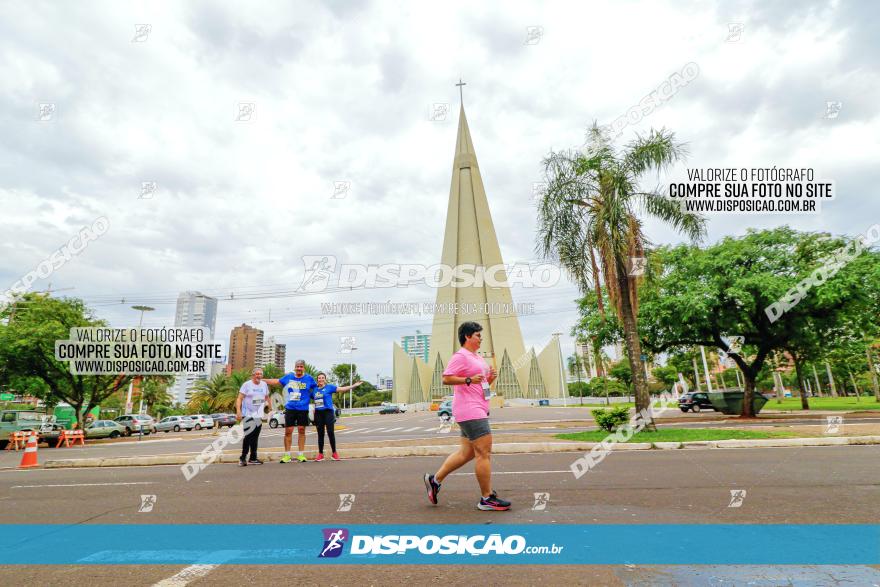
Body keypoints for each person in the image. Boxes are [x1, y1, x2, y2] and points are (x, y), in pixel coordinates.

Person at [423, 321, 511, 511]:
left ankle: (434, 480)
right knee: (484, 453)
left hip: (477, 406)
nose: (481, 339)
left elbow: (480, 384)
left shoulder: (477, 357)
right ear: (467, 336)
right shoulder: (460, 356)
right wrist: (468, 379)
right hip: (470, 409)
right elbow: (446, 378)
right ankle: (486, 498)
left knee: (467, 453)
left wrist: (490, 379)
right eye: (478, 335)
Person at [264, 359, 316, 463]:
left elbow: (316, 389)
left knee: (302, 430)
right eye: (297, 366)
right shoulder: (289, 377)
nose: (299, 368)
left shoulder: (309, 378)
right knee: (288, 431)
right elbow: (276, 381)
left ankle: (301, 455)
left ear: (304, 368)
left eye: (301, 367)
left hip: (303, 409)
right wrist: (262, 380)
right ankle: (287, 455)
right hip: (290, 408)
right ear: (295, 367)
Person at [313, 372, 363, 461]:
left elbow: (343, 389)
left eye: (322, 378)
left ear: (325, 379)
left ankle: (334, 453)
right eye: (319, 378)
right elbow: (311, 399)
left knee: (330, 432)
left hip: (328, 413)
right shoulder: (314, 390)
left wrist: (354, 385)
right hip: (318, 414)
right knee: (320, 434)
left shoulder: (329, 387)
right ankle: (320, 454)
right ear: (317, 379)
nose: (321, 379)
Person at [236, 367, 272, 466]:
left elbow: (266, 397)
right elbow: (239, 398)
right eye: (257, 374)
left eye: (260, 374)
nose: (259, 376)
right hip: (248, 414)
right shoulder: (247, 385)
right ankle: (242, 458)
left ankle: (253, 458)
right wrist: (238, 411)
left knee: (255, 437)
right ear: (253, 375)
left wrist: (270, 407)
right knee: (248, 436)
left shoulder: (264, 384)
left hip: (258, 415)